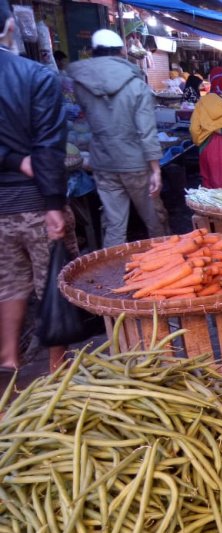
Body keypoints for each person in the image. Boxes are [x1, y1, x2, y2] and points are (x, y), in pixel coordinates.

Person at [0, 0, 72, 371]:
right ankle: (57, 366)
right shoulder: (37, 76)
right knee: (53, 280)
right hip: (35, 200)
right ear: (10, 26)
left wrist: (9, 158)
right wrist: (55, 204)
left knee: (9, 284)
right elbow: (48, 146)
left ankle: (9, 358)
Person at [68, 29, 167, 248]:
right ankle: (165, 263)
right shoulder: (136, 84)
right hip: (135, 163)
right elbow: (146, 130)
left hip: (103, 163)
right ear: (121, 52)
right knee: (154, 220)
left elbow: (89, 120)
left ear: (93, 52)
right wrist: (156, 169)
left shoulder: (81, 84)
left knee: (114, 226)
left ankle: (111, 277)